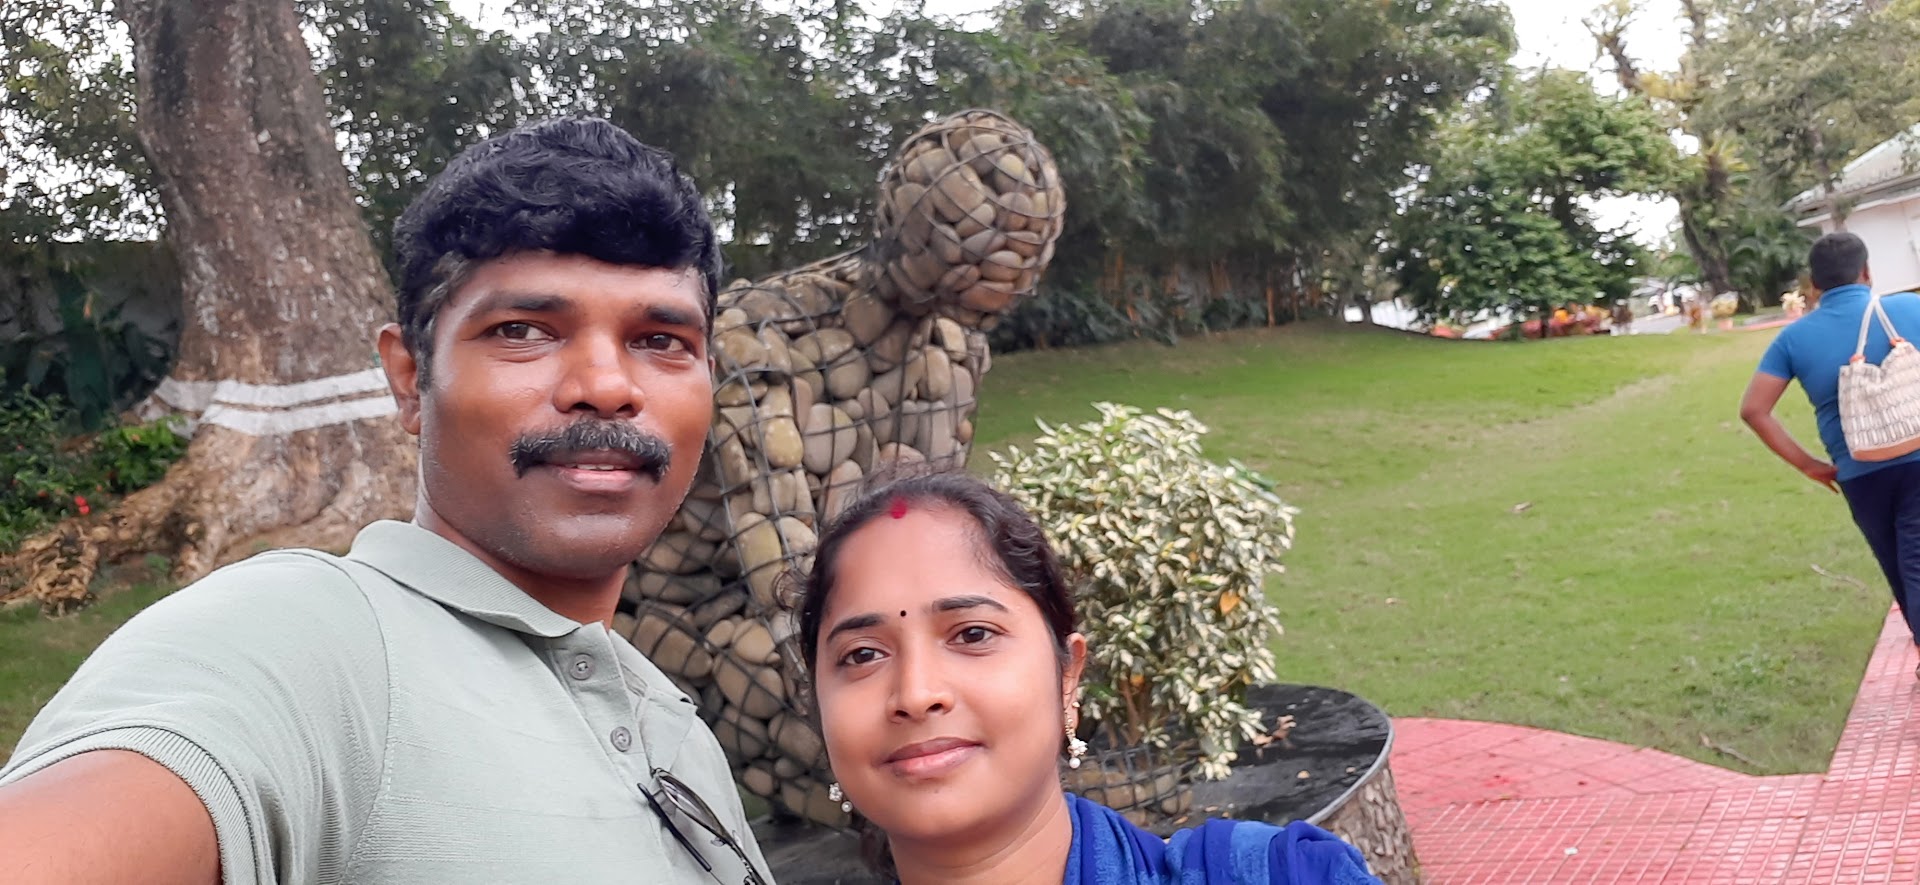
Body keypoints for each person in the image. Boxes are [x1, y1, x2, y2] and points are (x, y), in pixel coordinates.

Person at [0, 118, 773, 885]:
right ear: (409, 378)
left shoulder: (674, 726)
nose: (606, 386)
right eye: (522, 330)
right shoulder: (303, 644)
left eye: (660, 340)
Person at [795, 471, 1382, 885]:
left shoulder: (1280, 876)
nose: (917, 693)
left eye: (972, 634)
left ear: (1067, 678)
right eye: (862, 654)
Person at [1741, 232, 1920, 654]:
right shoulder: (1910, 308)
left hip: (1858, 472)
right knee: (1915, 562)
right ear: (1866, 272)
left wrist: (1810, 465)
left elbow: (1754, 410)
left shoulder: (1793, 339)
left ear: (1815, 284)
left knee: (1898, 565)